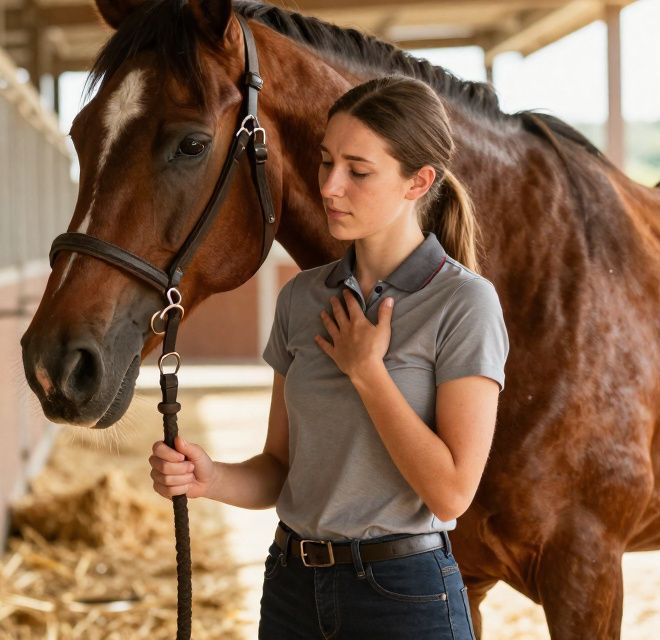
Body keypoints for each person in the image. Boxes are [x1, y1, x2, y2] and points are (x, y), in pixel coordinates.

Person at [148, 75, 509, 639]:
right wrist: (209, 478)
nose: (331, 187)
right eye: (325, 163)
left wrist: (368, 374)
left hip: (403, 597)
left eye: (358, 171)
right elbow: (280, 470)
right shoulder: (302, 297)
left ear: (419, 181)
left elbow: (451, 492)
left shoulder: (463, 302)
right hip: (292, 588)